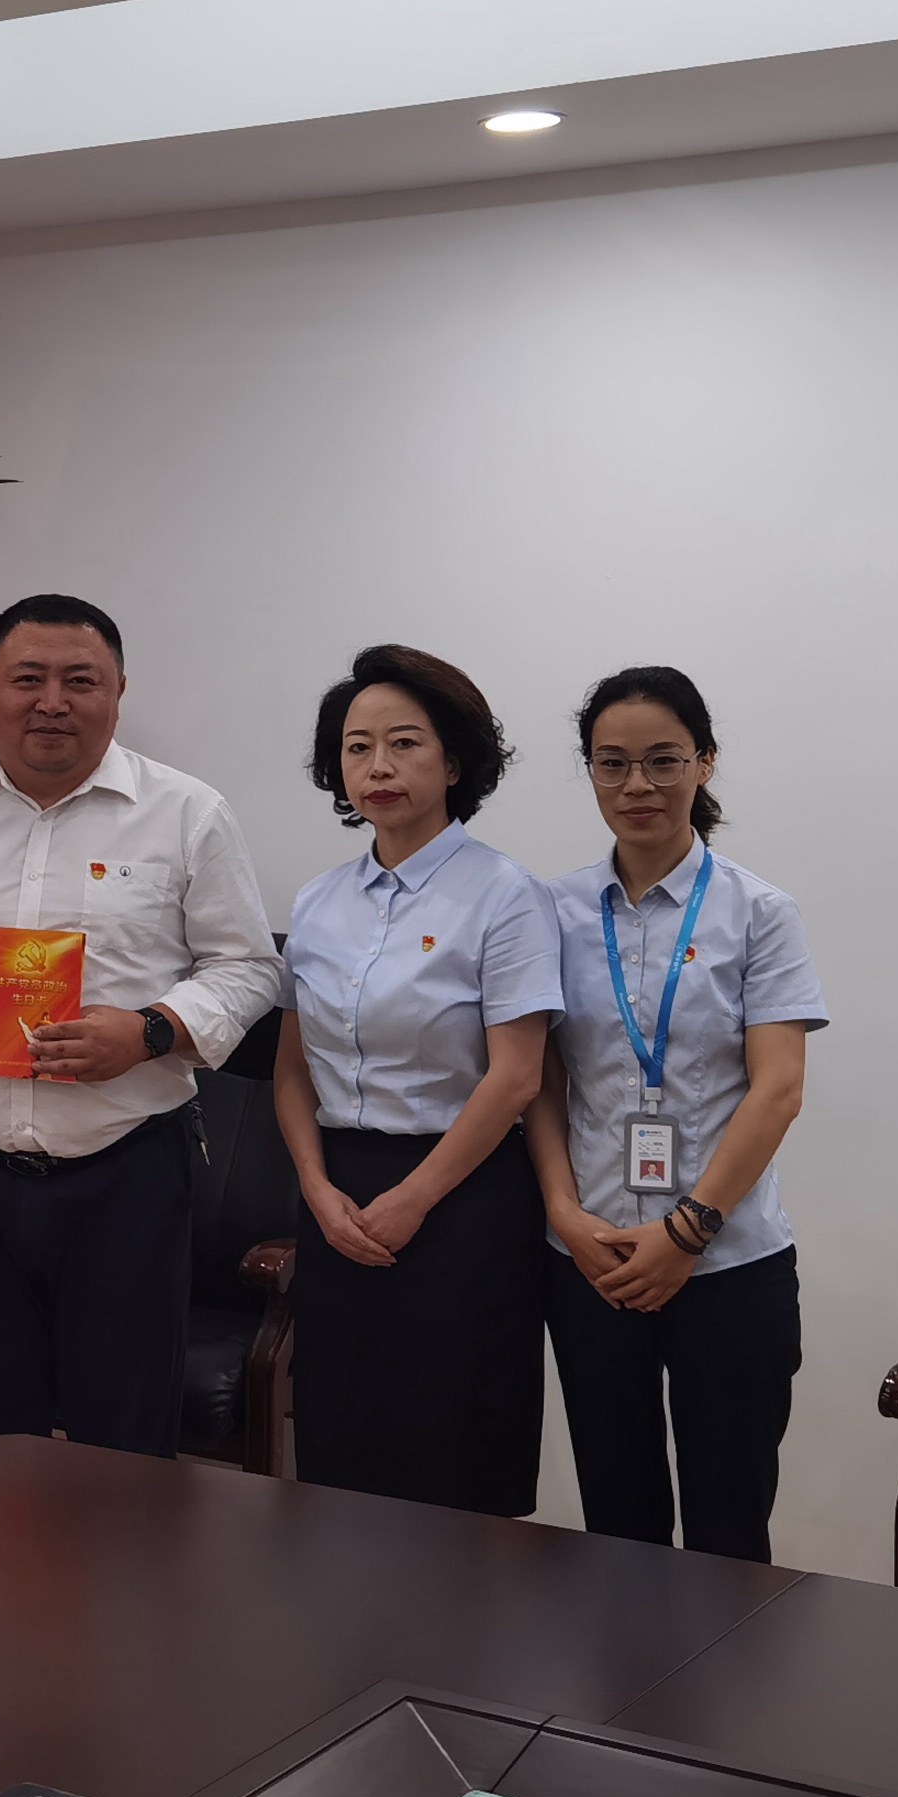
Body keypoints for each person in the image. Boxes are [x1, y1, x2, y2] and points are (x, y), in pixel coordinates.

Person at [0, 595, 281, 1456]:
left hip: (127, 1177)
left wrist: (149, 1031)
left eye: (81, 681)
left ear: (119, 692)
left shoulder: (188, 812)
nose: (52, 702)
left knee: (123, 1445)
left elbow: (250, 968)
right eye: (28, 678)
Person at [527, 666, 825, 1562]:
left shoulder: (760, 912)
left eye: (663, 760)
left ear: (705, 762)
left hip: (728, 1262)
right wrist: (562, 1212)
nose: (637, 786)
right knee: (617, 1526)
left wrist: (688, 1230)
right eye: (611, 764)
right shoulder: (551, 911)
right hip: (593, 1258)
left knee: (729, 1529)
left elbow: (778, 1088)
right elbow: (538, 1081)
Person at [273, 643, 561, 1515]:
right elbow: (293, 1067)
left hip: (463, 1196)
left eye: (405, 743)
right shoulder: (317, 901)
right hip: (338, 1194)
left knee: (453, 1453)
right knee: (340, 1441)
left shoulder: (507, 896)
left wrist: (414, 1199)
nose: (379, 767)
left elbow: (517, 1078)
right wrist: (316, 1188)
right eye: (357, 747)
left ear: (455, 762)